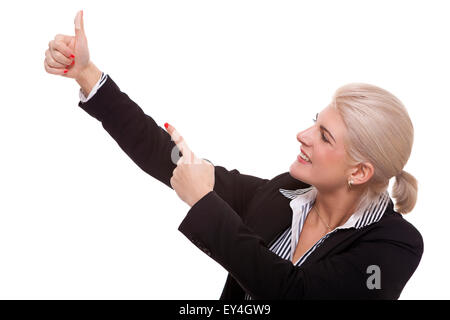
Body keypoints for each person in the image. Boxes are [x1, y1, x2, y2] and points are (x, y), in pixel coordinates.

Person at [44, 11, 423, 300]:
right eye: (314, 122)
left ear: (359, 171)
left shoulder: (395, 245)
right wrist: (87, 74)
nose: (302, 136)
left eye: (323, 136)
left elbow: (293, 293)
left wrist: (204, 202)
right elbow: (167, 158)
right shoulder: (283, 194)